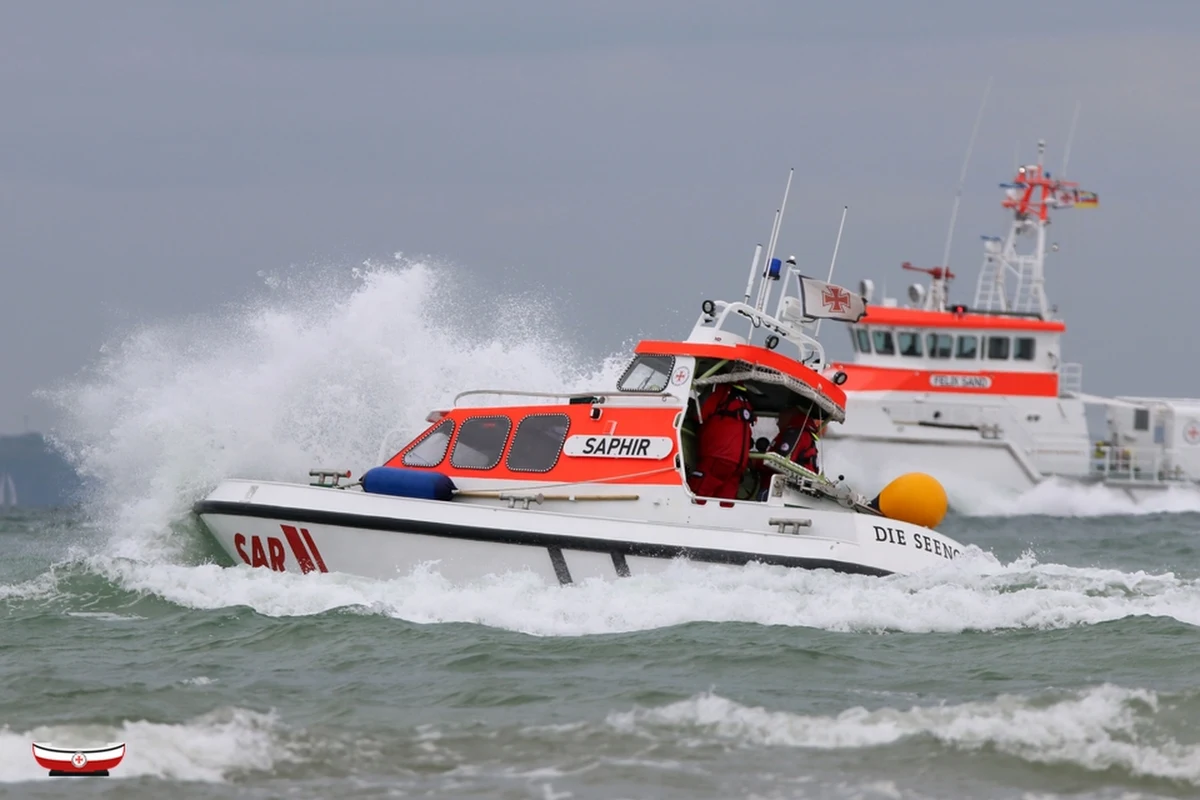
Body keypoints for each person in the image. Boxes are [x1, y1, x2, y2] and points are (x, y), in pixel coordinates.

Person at [687, 382, 756, 500]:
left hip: (718, 456)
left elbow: (699, 413)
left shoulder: (719, 390)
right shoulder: (746, 401)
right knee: (724, 503)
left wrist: (689, 406)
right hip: (738, 463)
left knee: (696, 497)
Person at [755, 407, 825, 498]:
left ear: (789, 415)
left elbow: (780, 461)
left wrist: (755, 462)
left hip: (779, 489)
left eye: (779, 418)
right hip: (791, 490)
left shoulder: (795, 434)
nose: (777, 423)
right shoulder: (803, 433)